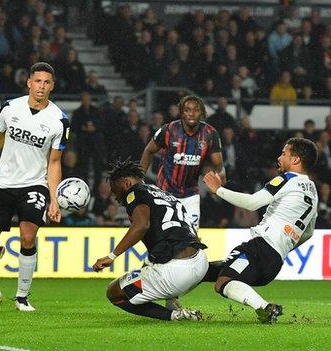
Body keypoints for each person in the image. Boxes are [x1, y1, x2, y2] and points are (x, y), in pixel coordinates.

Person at [0, 62, 69, 311]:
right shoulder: (9, 108)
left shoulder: (59, 120)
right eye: (37, 81)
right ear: (29, 82)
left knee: (27, 236)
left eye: (46, 82)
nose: (41, 86)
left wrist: (54, 199)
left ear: (52, 87)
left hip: (34, 185)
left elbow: (55, 162)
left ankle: (22, 297)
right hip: (3, 183)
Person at [203, 138, 318, 324]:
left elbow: (253, 202)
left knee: (222, 281)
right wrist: (285, 244)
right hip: (275, 260)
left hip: (261, 247)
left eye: (284, 153)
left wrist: (219, 190)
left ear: (296, 160)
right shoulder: (313, 191)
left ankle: (265, 308)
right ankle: (180, 290)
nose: (279, 158)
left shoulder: (287, 179)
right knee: (213, 270)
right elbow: (308, 233)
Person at [92, 158, 208, 321]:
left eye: (114, 190)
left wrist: (112, 256)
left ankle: (175, 316)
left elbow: (141, 226)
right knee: (149, 263)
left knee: (114, 292)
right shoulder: (164, 194)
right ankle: (173, 301)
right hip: (200, 262)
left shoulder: (134, 193)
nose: (115, 196)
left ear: (126, 183)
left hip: (176, 273)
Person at [140, 95, 225, 230]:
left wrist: (221, 179)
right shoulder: (168, 130)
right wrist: (140, 179)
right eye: (187, 110)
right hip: (164, 193)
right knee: (163, 237)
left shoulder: (210, 133)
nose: (191, 113)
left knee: (191, 238)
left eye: (196, 110)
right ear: (181, 112)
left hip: (191, 196)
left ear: (202, 112)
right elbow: (148, 150)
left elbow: (219, 165)